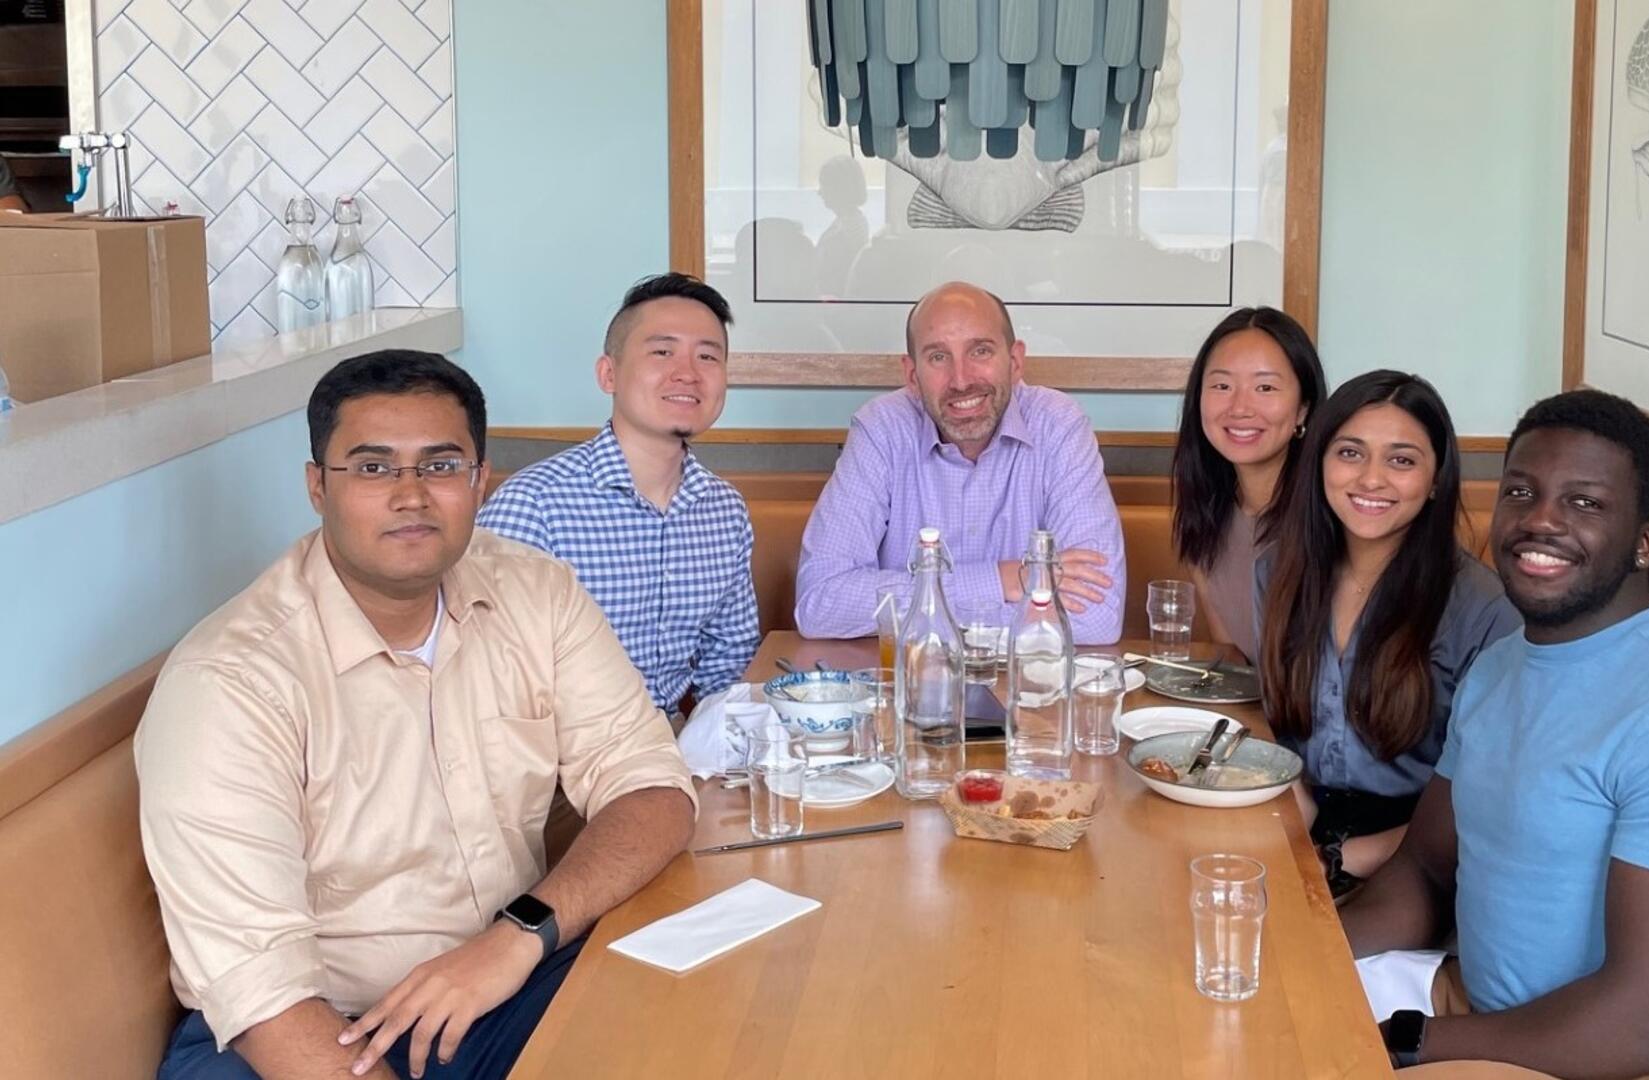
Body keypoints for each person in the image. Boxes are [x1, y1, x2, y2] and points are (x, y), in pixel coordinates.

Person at [136, 350, 698, 1080]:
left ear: (479, 480)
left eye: (440, 466)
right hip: (303, 1032)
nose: (410, 495)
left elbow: (652, 789)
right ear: (317, 487)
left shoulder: (537, 593)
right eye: (372, 468)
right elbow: (265, 1000)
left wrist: (517, 937)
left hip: (504, 979)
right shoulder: (231, 682)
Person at [1341, 389, 1649, 1078]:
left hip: (1632, 1064)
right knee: (1229, 1002)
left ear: (1646, 543)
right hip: (1483, 1014)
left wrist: (1404, 1044)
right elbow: (1425, 871)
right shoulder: (1499, 667)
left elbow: (1643, 1028)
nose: (1540, 520)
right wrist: (1304, 948)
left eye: (1584, 502)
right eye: (1522, 490)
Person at [1253, 371, 1518, 892]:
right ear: (1320, 463)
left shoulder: (1484, 609)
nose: (1371, 479)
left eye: (1401, 460)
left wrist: (1335, 861)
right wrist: (1296, 835)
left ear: (1436, 478)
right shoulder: (1277, 571)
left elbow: (1490, 800)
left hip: (1421, 856)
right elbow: (1281, 732)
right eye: (1350, 453)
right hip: (1300, 820)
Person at [479, 273, 758, 716]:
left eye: (707, 356)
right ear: (608, 374)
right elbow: (490, 675)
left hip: (674, 746)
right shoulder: (534, 507)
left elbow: (729, 661)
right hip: (556, 760)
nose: (686, 373)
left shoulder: (723, 510)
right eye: (662, 351)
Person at [795, 281, 1126, 644]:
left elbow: (1097, 618)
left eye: (980, 351)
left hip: (1029, 690)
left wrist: (925, 606)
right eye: (938, 357)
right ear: (912, 376)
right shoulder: (881, 430)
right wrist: (1003, 580)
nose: (961, 379)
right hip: (910, 689)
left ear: (1015, 362)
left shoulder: (1058, 426)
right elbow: (820, 603)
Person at [1171, 306, 1328, 661]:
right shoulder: (1206, 512)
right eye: (1222, 386)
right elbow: (1235, 665)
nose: (1240, 407)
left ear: (1303, 408)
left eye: (1265, 387)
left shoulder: (1333, 517)